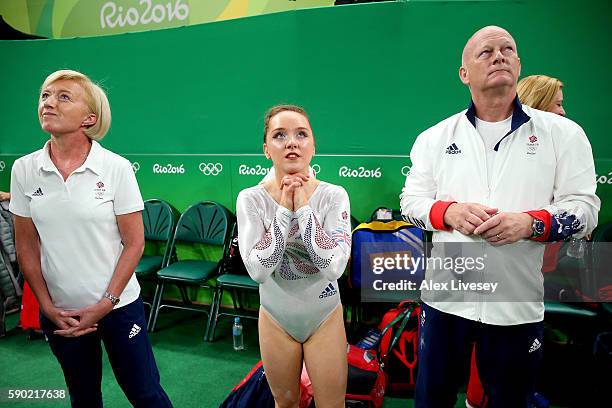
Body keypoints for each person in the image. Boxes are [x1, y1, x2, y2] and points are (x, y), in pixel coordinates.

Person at [400, 26, 599, 408]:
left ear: (519, 64)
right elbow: (412, 201)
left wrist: (532, 223)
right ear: (464, 74)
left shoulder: (564, 135)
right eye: (486, 51)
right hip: (445, 301)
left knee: (511, 400)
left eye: (508, 48)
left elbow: (585, 210)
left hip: (516, 304)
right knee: (432, 399)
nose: (499, 55)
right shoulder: (434, 138)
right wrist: (448, 212)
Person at [10, 69, 172, 408]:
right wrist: (47, 306)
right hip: (61, 315)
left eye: (63, 97)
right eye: (45, 96)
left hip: (120, 310)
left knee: (146, 394)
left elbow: (134, 243)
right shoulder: (24, 169)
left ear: (90, 118)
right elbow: (26, 246)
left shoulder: (117, 168)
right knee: (83, 397)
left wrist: (105, 304)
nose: (49, 103)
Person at [236, 104, 351, 408]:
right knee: (284, 404)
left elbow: (334, 267)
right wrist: (285, 210)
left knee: (332, 405)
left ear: (312, 145)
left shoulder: (333, 195)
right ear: (266, 149)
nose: (291, 142)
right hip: (276, 317)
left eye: (301, 134)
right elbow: (258, 271)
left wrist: (302, 206)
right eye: (279, 135)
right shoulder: (251, 199)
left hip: (324, 315)